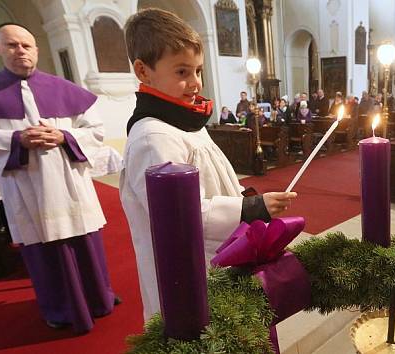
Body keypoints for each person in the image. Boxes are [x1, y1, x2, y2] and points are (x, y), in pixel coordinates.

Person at [120, 8, 297, 321]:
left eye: (198, 71)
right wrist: (252, 209)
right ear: (144, 71)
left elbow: (213, 181)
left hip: (220, 256)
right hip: (192, 272)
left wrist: (246, 196)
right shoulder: (152, 137)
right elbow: (180, 219)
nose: (196, 83)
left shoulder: (185, 123)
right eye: (182, 72)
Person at [0, 23, 117, 333]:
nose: (20, 50)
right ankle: (61, 309)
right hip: (26, 183)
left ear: (36, 49)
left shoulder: (64, 89)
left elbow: (95, 131)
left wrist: (63, 135)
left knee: (85, 240)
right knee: (44, 249)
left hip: (70, 181)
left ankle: (98, 298)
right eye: (11, 45)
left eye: (26, 45)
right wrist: (16, 140)